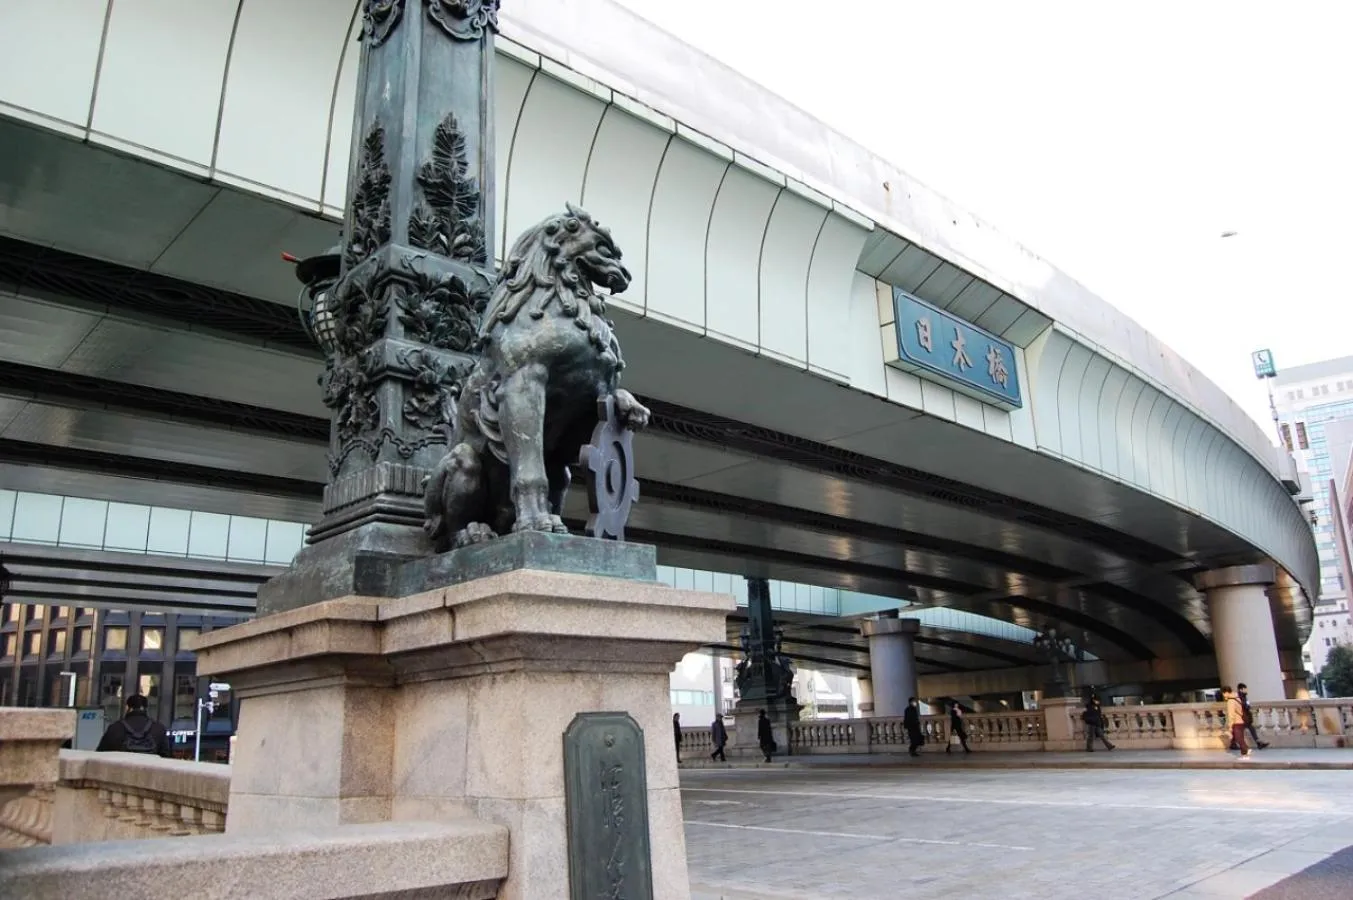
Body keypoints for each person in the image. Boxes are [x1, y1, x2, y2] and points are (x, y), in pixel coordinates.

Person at [96, 694, 171, 757]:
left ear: (128, 708)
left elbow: (100, 754)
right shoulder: (159, 728)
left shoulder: (115, 728)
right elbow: (166, 757)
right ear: (146, 708)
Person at [1231, 683, 1269, 750]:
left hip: (1244, 717)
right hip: (1241, 717)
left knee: (1248, 729)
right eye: (1245, 689)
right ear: (1241, 689)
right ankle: (1233, 743)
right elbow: (1243, 706)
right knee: (1240, 730)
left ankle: (1258, 743)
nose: (1246, 690)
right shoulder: (1239, 697)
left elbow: (1247, 705)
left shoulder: (1243, 696)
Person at [1222, 686, 1251, 760]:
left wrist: (1230, 726)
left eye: (1223, 693)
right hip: (1242, 720)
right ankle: (1246, 750)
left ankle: (1245, 753)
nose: (1223, 695)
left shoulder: (1230, 701)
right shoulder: (1237, 697)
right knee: (1240, 737)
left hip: (1236, 722)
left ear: (1226, 692)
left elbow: (1231, 715)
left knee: (1239, 738)